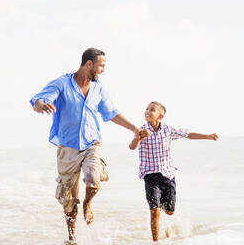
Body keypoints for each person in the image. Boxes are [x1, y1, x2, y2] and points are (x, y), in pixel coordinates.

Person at [30, 48, 147, 244]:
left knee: (93, 177)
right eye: (101, 66)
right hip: (67, 146)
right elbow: (38, 100)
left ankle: (88, 203)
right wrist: (41, 106)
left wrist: (134, 129)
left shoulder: (99, 89)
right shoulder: (62, 83)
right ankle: (72, 237)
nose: (103, 70)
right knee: (68, 199)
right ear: (89, 64)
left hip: (92, 142)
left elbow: (112, 113)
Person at [129, 101, 219, 242]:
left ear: (161, 116)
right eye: (146, 109)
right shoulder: (141, 130)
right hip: (150, 175)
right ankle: (156, 241)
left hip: (168, 175)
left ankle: (162, 213)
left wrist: (207, 136)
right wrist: (139, 137)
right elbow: (132, 146)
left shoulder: (167, 130)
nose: (147, 111)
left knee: (170, 211)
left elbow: (188, 135)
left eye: (151, 109)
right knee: (154, 211)